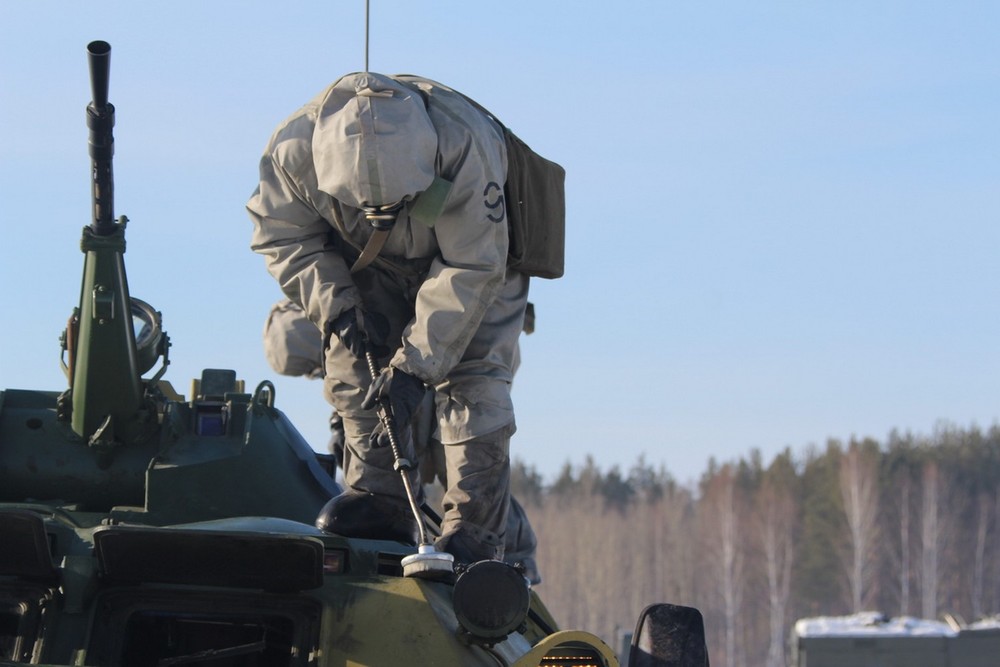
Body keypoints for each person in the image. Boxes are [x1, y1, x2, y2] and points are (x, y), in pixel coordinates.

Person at [248, 72, 530, 570]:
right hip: (365, 265)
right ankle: (381, 499)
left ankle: (477, 531)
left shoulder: (465, 147)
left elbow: (472, 268)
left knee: (474, 382)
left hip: (482, 264)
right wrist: (336, 307)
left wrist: (416, 366)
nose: (381, 213)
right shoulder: (293, 153)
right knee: (356, 369)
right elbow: (284, 238)